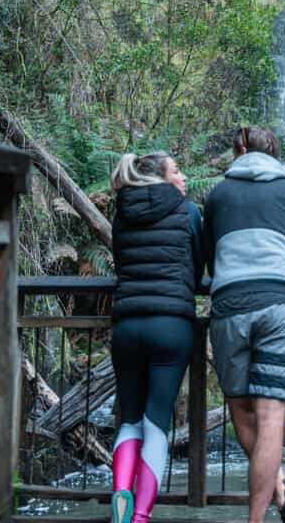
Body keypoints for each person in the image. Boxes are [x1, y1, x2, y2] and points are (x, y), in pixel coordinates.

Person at [204, 125, 285, 523]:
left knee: (239, 408)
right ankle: (269, 509)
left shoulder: (217, 195)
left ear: (238, 150)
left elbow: (207, 259)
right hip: (280, 307)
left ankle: (278, 500)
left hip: (230, 305)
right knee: (271, 417)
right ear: (277, 153)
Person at [109, 152, 203, 523]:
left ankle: (120, 500)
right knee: (156, 423)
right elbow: (198, 267)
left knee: (129, 420)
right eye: (177, 171)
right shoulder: (188, 211)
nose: (184, 177)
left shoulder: (122, 213)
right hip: (171, 325)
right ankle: (141, 516)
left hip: (127, 326)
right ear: (161, 179)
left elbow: (120, 261)